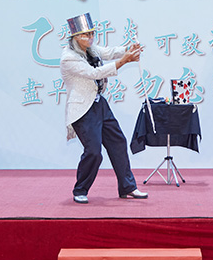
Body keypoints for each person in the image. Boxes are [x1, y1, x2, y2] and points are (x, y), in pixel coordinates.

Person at [61, 13, 148, 204]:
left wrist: (129, 49)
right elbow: (94, 73)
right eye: (87, 35)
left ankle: (127, 187)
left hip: (99, 104)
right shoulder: (69, 58)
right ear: (76, 37)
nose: (91, 37)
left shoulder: (90, 49)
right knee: (94, 152)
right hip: (83, 110)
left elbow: (109, 52)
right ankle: (80, 189)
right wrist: (124, 61)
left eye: (92, 33)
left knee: (118, 142)